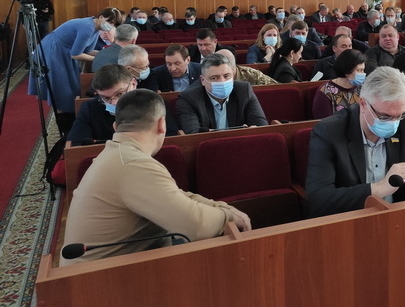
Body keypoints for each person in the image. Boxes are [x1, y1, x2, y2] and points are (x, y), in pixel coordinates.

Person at [61, 89, 251, 266]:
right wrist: (228, 217)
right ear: (162, 124)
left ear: (115, 126)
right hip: (100, 279)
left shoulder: (119, 153)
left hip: (110, 269)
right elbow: (197, 227)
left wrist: (221, 208)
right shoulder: (132, 164)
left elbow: (175, 195)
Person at [305, 67, 405, 217]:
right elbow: (319, 200)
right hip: (351, 221)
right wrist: (378, 188)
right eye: (384, 117)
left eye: (399, 116)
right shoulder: (329, 131)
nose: (393, 123)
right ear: (363, 104)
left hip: (399, 217)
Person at [28, 7, 123, 121]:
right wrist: (99, 60)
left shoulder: (96, 28)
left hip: (65, 51)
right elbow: (76, 54)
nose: (111, 26)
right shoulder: (87, 27)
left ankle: (68, 115)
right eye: (110, 22)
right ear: (101, 17)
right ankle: (63, 118)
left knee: (71, 84)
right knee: (61, 86)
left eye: (114, 24)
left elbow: (87, 50)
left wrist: (106, 55)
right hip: (54, 50)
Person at [176, 53, 267, 133]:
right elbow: (194, 136)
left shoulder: (244, 90)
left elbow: (261, 126)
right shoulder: (189, 99)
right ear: (203, 80)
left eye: (226, 76)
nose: (222, 81)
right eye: (214, 78)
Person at [68, 65, 138, 146]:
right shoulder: (89, 108)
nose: (114, 103)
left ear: (133, 84)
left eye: (119, 94)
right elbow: (76, 144)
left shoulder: (149, 104)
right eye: (106, 98)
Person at [312, 49, 365, 119]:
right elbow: (324, 122)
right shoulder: (326, 91)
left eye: (363, 70)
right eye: (359, 70)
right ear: (347, 71)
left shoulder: (364, 88)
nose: (363, 74)